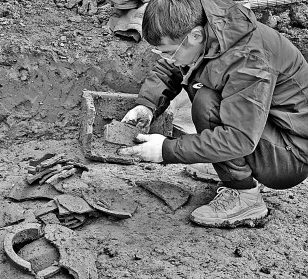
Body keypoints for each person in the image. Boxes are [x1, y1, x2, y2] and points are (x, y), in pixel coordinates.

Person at [119, 0, 308, 228]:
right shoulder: (210, 25)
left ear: (195, 36)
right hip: (269, 130)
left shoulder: (250, 59)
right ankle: (226, 164)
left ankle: (244, 196)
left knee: (206, 102)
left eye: (169, 51)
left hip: (291, 154)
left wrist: (165, 150)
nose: (167, 57)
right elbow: (172, 66)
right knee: (203, 92)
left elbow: (239, 138)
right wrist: (147, 105)